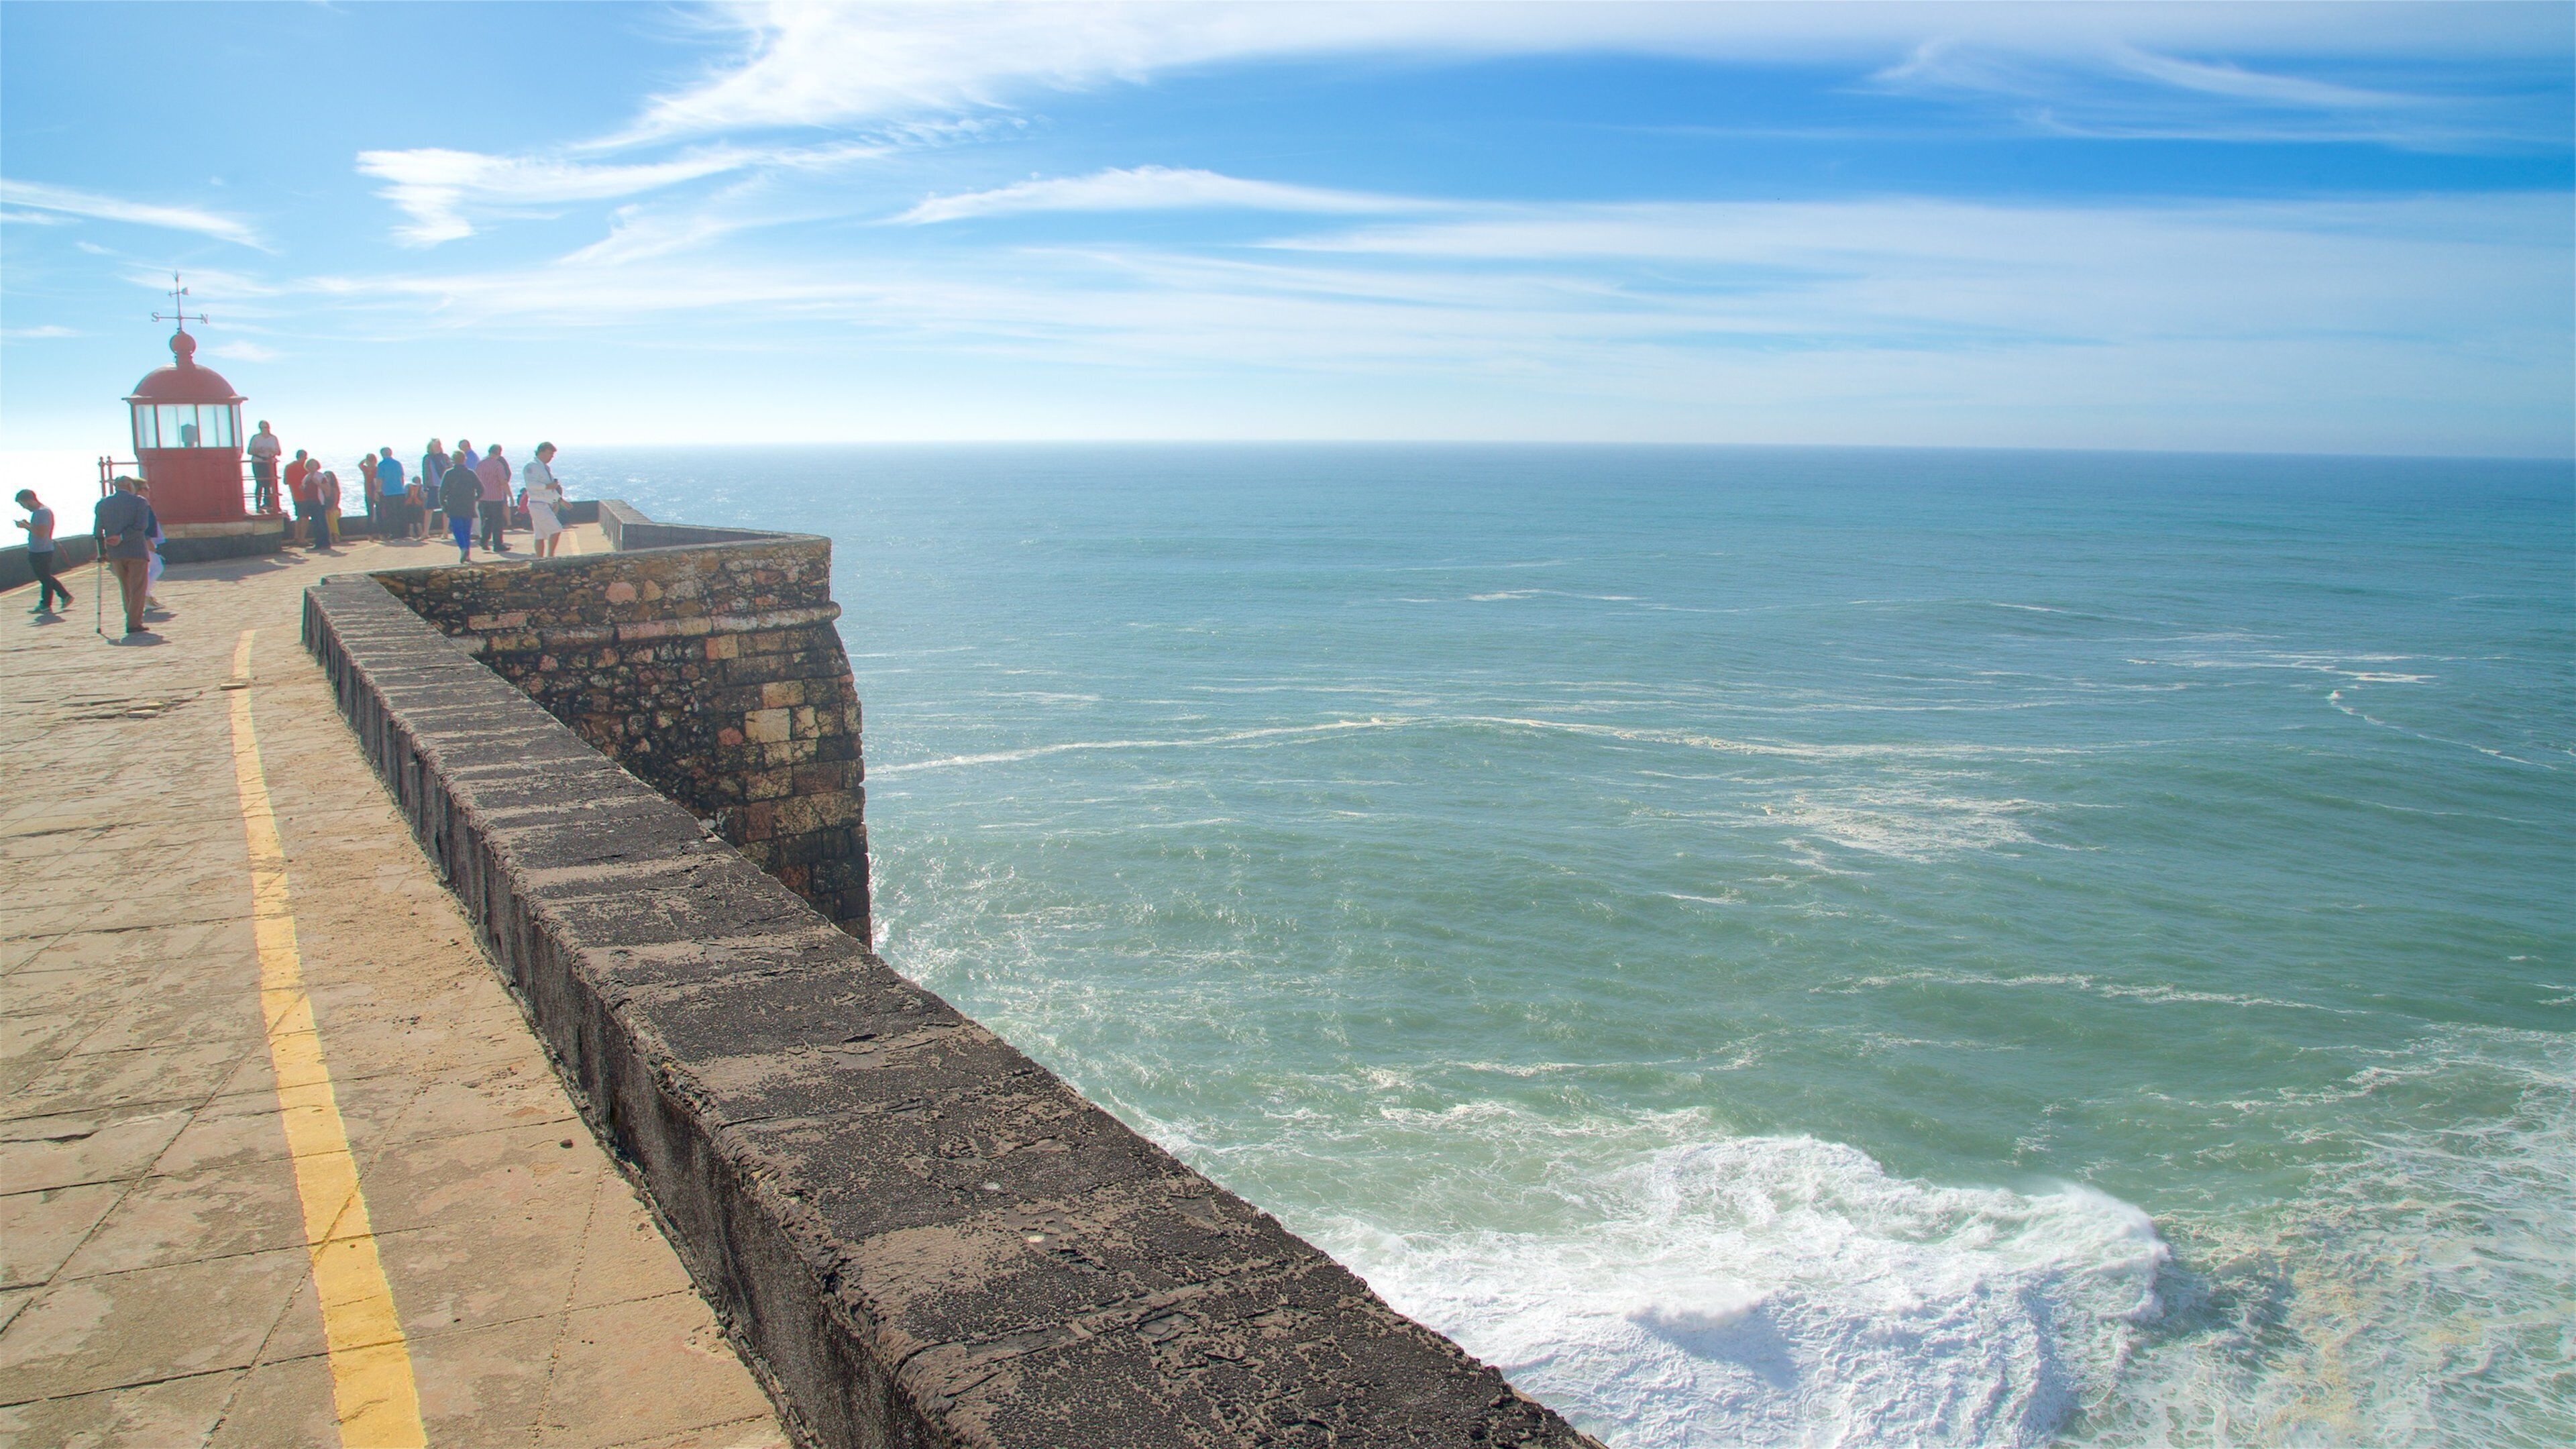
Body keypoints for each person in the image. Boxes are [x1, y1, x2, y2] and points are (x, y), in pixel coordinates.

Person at [93, 476, 156, 636]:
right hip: (136, 551)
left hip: (115, 552)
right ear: (129, 486)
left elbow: (98, 530)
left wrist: (102, 551)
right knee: (138, 588)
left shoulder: (102, 504)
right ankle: (134, 623)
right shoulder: (140, 502)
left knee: (125, 586)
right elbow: (141, 526)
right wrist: (122, 537)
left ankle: (131, 617)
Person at [14, 489, 70, 614]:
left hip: (41, 550)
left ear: (29, 500)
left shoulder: (42, 513)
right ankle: (63, 596)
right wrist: (28, 525)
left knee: (45, 578)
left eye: (23, 504)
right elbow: (38, 530)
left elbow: (41, 533)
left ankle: (46, 604)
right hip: (40, 549)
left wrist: (26, 526)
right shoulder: (40, 512)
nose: (24, 507)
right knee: (45, 577)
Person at [523, 443, 566, 557]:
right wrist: (548, 487)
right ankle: (550, 557)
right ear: (542, 452)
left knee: (540, 535)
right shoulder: (532, 466)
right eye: (550, 453)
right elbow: (530, 485)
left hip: (543, 503)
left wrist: (560, 501)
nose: (552, 456)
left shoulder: (544, 467)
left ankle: (539, 559)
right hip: (538, 504)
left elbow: (551, 488)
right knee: (556, 530)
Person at [439, 453, 482, 563]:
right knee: (467, 530)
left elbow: (442, 491)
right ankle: (467, 554)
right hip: (468, 504)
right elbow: (481, 488)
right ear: (464, 459)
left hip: (454, 505)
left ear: (453, 460)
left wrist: (443, 503)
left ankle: (463, 548)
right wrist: (476, 498)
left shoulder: (449, 473)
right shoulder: (470, 473)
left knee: (457, 529)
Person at [475, 443, 513, 553]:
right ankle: (498, 544)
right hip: (496, 497)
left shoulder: (480, 464)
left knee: (487, 520)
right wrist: (510, 495)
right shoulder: (498, 465)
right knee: (497, 522)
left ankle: (484, 540)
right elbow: (503, 481)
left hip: (483, 497)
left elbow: (476, 479)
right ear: (499, 453)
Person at [290, 455, 330, 549]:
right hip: (309, 502)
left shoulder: (321, 476)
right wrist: (302, 489)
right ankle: (319, 542)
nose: (312, 467)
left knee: (321, 522)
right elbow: (304, 489)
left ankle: (325, 542)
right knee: (315, 523)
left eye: (314, 465)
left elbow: (327, 489)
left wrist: (318, 484)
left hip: (319, 502)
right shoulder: (306, 477)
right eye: (310, 465)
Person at [247, 421, 282, 514]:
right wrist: (258, 450)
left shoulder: (273, 438)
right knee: (260, 484)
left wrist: (272, 451)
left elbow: (279, 452)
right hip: (258, 462)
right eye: (262, 428)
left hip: (270, 462)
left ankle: (268, 505)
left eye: (266, 427)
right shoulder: (256, 438)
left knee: (269, 484)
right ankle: (258, 506)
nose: (264, 429)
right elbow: (249, 451)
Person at [374, 448, 407, 539]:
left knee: (391, 514)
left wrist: (377, 492)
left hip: (388, 492)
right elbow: (402, 478)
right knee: (401, 513)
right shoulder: (397, 464)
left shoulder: (381, 465)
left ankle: (394, 533)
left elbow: (380, 479)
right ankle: (404, 533)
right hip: (400, 491)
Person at [421, 439, 450, 538]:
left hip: (445, 486)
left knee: (445, 509)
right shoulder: (427, 458)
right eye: (435, 445)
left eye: (439, 445)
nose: (438, 447)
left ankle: (445, 532)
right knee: (429, 509)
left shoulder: (445, 457)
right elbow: (425, 473)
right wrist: (425, 488)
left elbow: (450, 469)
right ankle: (426, 532)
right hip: (432, 486)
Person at [321, 470, 343, 545]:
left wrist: (331, 510)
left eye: (328, 477)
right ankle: (330, 535)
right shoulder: (321, 490)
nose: (326, 479)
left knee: (332, 515)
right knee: (326, 517)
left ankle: (335, 535)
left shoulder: (335, 490)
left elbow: (336, 503)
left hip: (335, 510)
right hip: (325, 510)